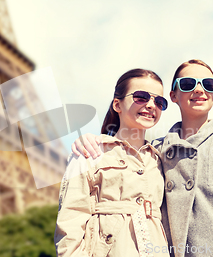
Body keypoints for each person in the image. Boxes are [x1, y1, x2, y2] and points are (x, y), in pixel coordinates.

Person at [71, 60, 213, 257]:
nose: (199, 89)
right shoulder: (154, 151)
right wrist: (94, 140)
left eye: (208, 84)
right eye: (188, 84)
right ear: (173, 96)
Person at [55, 69, 171, 257]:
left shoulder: (162, 160)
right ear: (117, 104)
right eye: (141, 97)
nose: (151, 105)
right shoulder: (90, 152)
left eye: (159, 101)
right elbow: (71, 221)